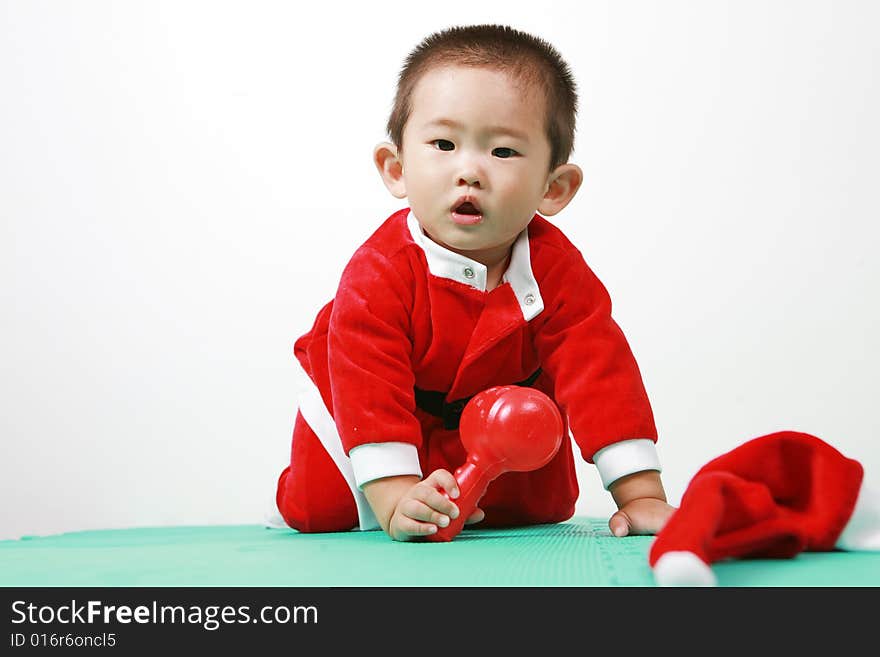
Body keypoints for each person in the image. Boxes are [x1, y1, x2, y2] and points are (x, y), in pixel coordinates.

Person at [275, 24, 676, 541]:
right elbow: (367, 382)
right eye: (443, 143)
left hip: (495, 416)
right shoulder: (380, 270)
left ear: (554, 188)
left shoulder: (558, 271)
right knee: (319, 509)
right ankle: (354, 489)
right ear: (395, 168)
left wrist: (640, 494)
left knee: (530, 511)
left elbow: (600, 373)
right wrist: (397, 495)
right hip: (364, 407)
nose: (469, 171)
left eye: (503, 152)